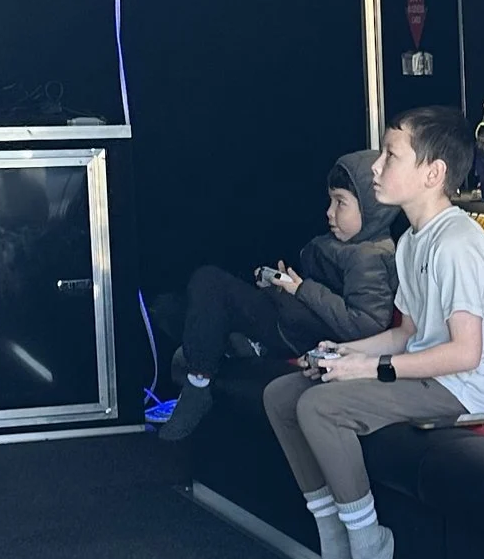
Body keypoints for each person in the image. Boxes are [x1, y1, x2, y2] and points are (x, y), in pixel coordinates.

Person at [264, 106, 484, 559]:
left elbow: (465, 352)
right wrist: (344, 353)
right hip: (432, 372)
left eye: (390, 156)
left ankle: (369, 541)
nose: (376, 168)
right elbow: (407, 334)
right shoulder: (412, 242)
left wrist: (368, 370)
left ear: (433, 173)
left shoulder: (457, 244)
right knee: (282, 394)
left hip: (467, 387)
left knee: (320, 407)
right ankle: (333, 540)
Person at [154, 151, 396, 442]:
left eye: (340, 202)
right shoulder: (343, 244)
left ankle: (198, 384)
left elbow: (366, 324)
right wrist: (281, 285)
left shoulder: (369, 257)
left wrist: (301, 289)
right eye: (330, 201)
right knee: (170, 308)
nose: (329, 212)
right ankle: (236, 346)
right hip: (290, 318)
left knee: (209, 282)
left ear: (370, 208)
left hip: (301, 335)